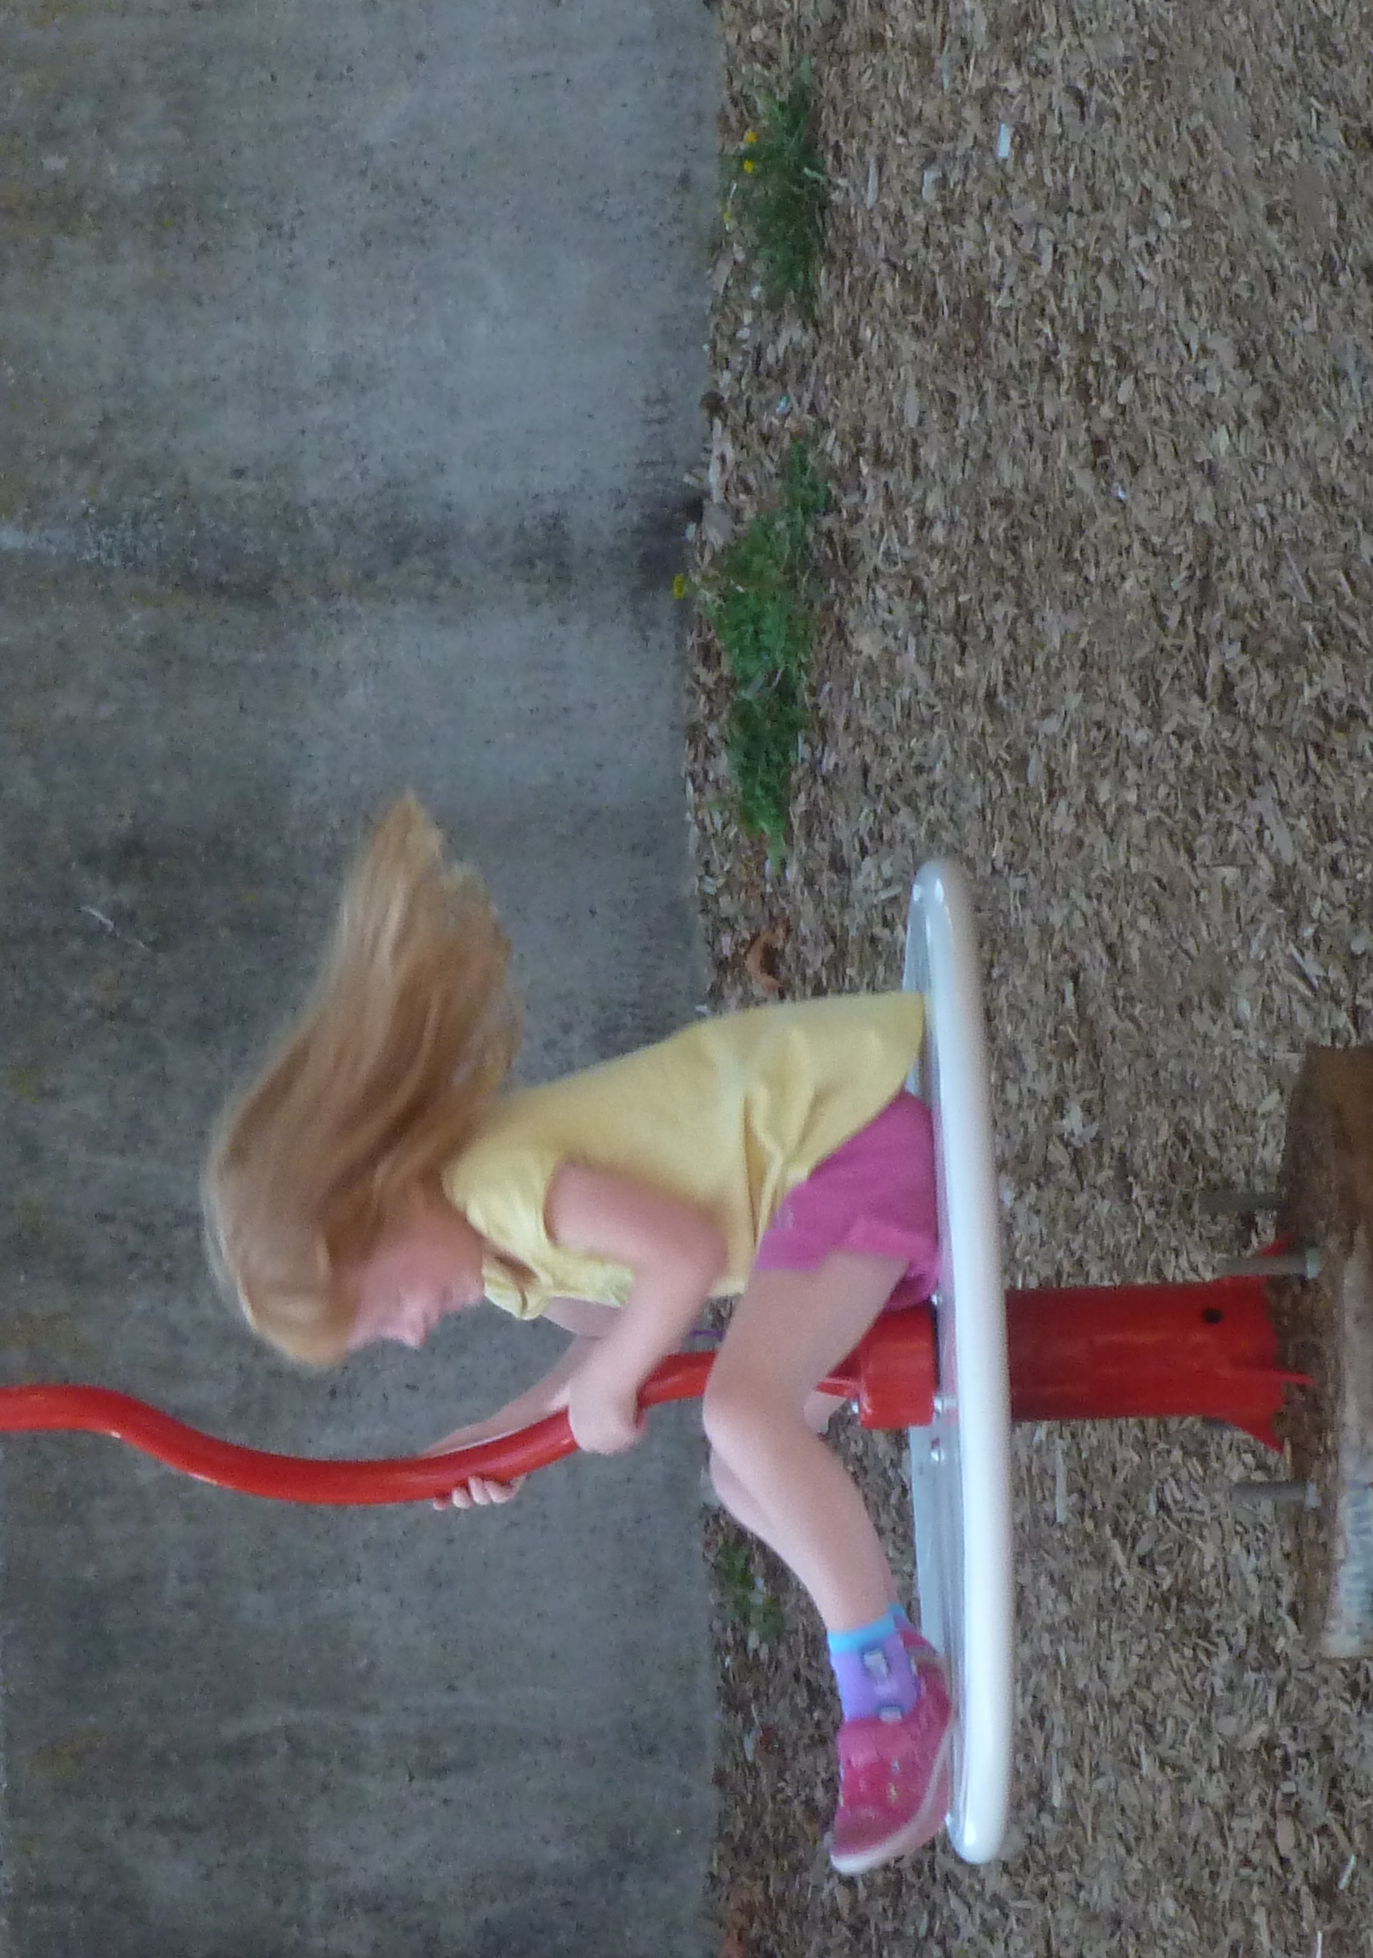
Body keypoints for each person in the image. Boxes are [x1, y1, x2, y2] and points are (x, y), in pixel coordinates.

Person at [204, 797, 959, 1874]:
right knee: (743, 1475)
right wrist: (506, 1430)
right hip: (821, 1210)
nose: (410, 1336)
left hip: (848, 1142)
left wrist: (609, 1386)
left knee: (742, 1411)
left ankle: (887, 1698)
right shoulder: (505, 1264)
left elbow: (685, 1261)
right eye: (381, 1337)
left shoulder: (503, 1183)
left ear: (385, 1198)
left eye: (384, 1307)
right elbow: (613, 1333)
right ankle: (906, 1667)